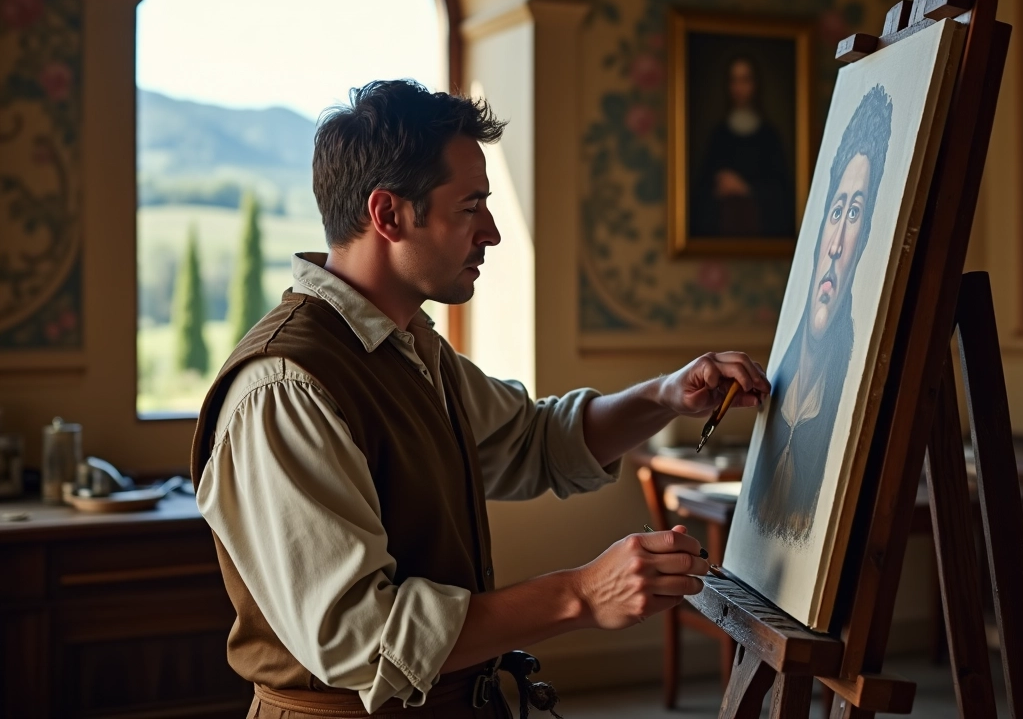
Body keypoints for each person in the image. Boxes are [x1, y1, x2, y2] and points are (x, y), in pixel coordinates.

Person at [190, 80, 770, 719]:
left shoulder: (409, 348)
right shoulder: (286, 388)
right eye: (471, 206)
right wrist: (580, 594)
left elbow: (534, 441)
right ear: (388, 215)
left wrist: (663, 397)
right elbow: (361, 638)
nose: (491, 232)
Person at [746, 85, 892, 542]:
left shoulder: (850, 385)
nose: (834, 246)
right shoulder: (782, 380)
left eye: (854, 214)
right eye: (835, 211)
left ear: (866, 238)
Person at [690, 56, 795, 238]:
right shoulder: (719, 135)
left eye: (745, 80)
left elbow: (782, 195)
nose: (739, 88)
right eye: (734, 81)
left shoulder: (769, 136)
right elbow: (701, 195)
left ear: (755, 84)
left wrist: (745, 188)